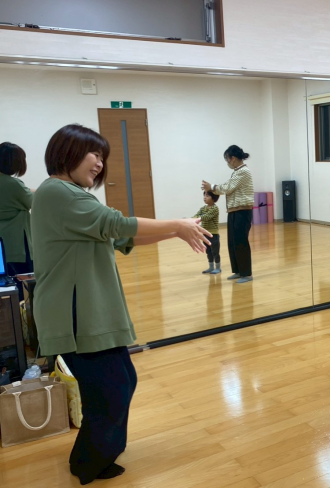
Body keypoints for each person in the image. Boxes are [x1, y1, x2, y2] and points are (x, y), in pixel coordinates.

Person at [31, 124, 211, 485]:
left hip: (93, 312)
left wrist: (174, 232)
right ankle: (88, 463)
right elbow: (114, 223)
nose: (100, 163)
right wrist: (176, 224)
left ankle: (99, 453)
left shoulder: (73, 196)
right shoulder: (56, 192)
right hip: (75, 314)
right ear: (66, 152)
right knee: (110, 389)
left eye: (103, 156)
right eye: (93, 153)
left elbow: (118, 237)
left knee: (122, 381)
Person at [202, 145, 254, 284]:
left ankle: (247, 274)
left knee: (241, 242)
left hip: (242, 211)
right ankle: (238, 271)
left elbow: (228, 188)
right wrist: (212, 188)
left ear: (233, 158)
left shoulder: (243, 171)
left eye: (227, 159)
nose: (227, 162)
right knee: (233, 242)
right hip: (234, 211)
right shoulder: (237, 172)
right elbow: (227, 186)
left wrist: (212, 187)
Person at [0, 142, 35, 277]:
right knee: (24, 281)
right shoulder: (14, 184)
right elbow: (34, 202)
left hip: (3, 246)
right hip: (18, 245)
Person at [194, 190, 221, 274]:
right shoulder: (203, 208)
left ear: (214, 198)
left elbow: (207, 216)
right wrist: (190, 220)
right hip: (205, 234)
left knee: (215, 252)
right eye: (204, 195)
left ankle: (218, 268)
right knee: (208, 251)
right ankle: (211, 267)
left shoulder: (215, 208)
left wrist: (199, 219)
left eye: (207, 196)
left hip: (213, 235)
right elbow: (197, 215)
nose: (204, 197)